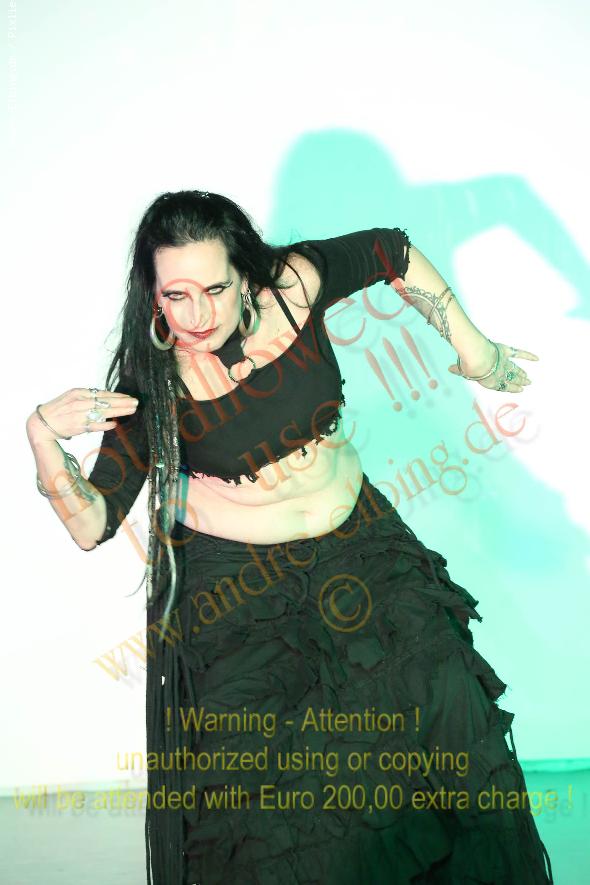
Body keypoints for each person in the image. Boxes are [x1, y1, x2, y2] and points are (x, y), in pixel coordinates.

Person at [26, 190, 554, 885]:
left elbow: (392, 250)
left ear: (244, 271)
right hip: (244, 597)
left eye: (215, 289)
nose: (198, 314)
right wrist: (43, 437)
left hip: (363, 548)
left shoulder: (295, 284)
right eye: (176, 295)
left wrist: (474, 348)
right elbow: (92, 522)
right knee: (284, 810)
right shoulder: (150, 384)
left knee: (448, 712)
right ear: (153, 295)